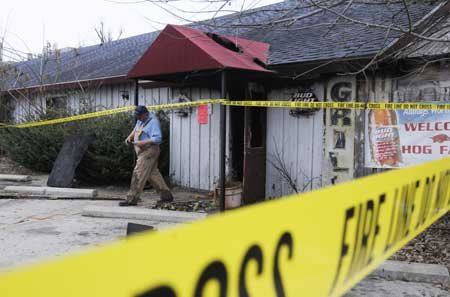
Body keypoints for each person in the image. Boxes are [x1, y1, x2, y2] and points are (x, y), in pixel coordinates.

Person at [119, 105, 173, 206]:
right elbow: (136, 129)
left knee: (138, 173)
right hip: (142, 151)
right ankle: (167, 196)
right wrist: (129, 138)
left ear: (145, 114)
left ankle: (131, 199)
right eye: (137, 116)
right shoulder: (140, 120)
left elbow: (157, 139)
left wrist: (141, 143)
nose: (138, 118)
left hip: (149, 151)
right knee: (153, 175)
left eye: (139, 116)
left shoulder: (153, 122)